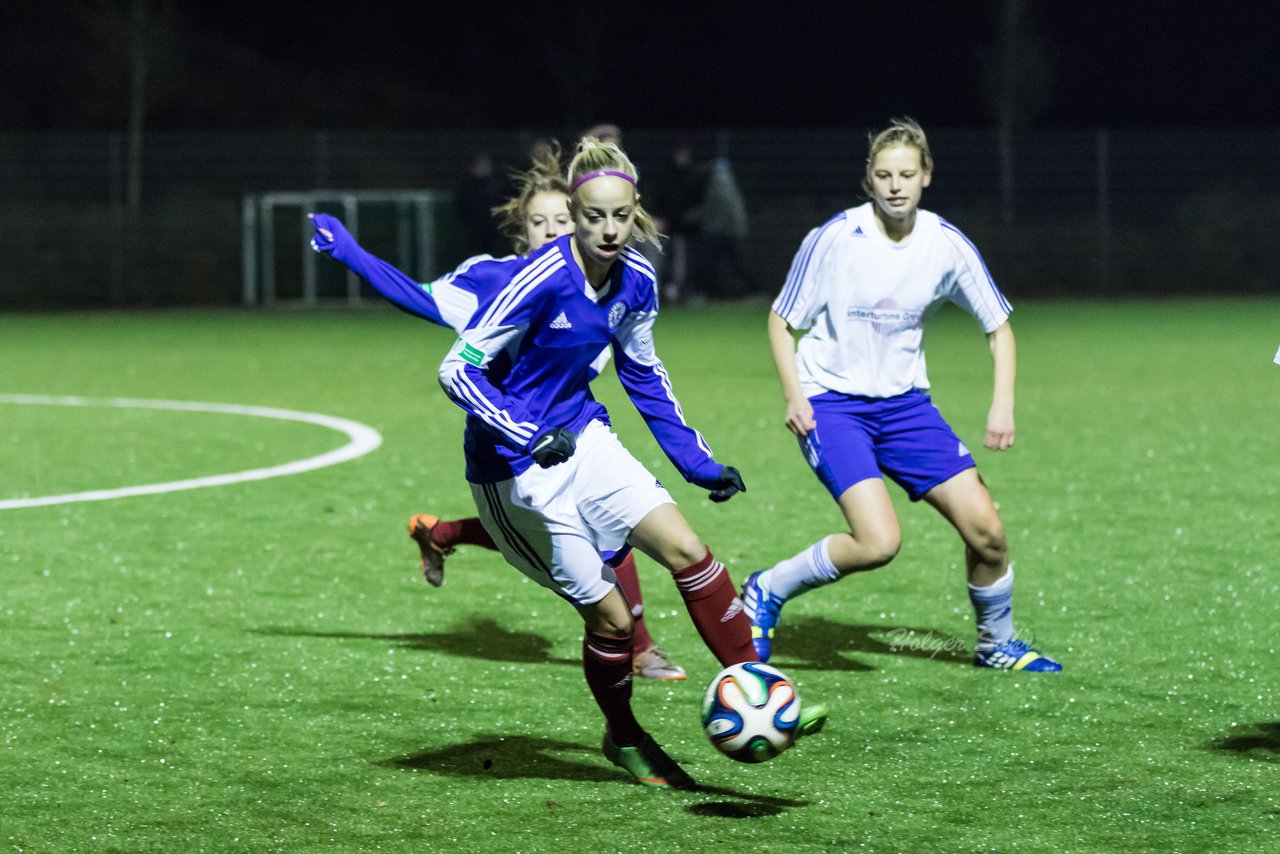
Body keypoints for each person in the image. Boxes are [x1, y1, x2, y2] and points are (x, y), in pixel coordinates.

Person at [437, 137, 823, 789]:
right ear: (575, 211)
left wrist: (695, 461)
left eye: (621, 215)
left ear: (635, 209)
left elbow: (644, 374)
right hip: (514, 469)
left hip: (584, 440)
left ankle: (755, 686)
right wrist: (526, 432)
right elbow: (457, 370)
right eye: (593, 217)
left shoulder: (638, 280)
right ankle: (624, 736)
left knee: (688, 550)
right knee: (613, 620)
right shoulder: (538, 280)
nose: (609, 229)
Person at [308, 147, 685, 681]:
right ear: (522, 230)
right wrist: (350, 252)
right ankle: (640, 649)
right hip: (511, 445)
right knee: (592, 532)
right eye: (539, 222)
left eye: (561, 220)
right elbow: (415, 296)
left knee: (593, 525)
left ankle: (441, 534)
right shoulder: (494, 280)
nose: (551, 231)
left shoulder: (608, 276)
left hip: (572, 431)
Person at [744, 118, 1062, 673]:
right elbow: (780, 321)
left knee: (987, 531)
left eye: (907, 175)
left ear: (926, 177)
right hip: (833, 406)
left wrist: (1002, 403)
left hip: (906, 408)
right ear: (868, 178)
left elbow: (999, 327)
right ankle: (766, 590)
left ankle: (997, 643)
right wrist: (796, 397)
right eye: (884, 174)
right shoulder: (835, 238)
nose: (895, 185)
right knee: (877, 543)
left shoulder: (945, 244)